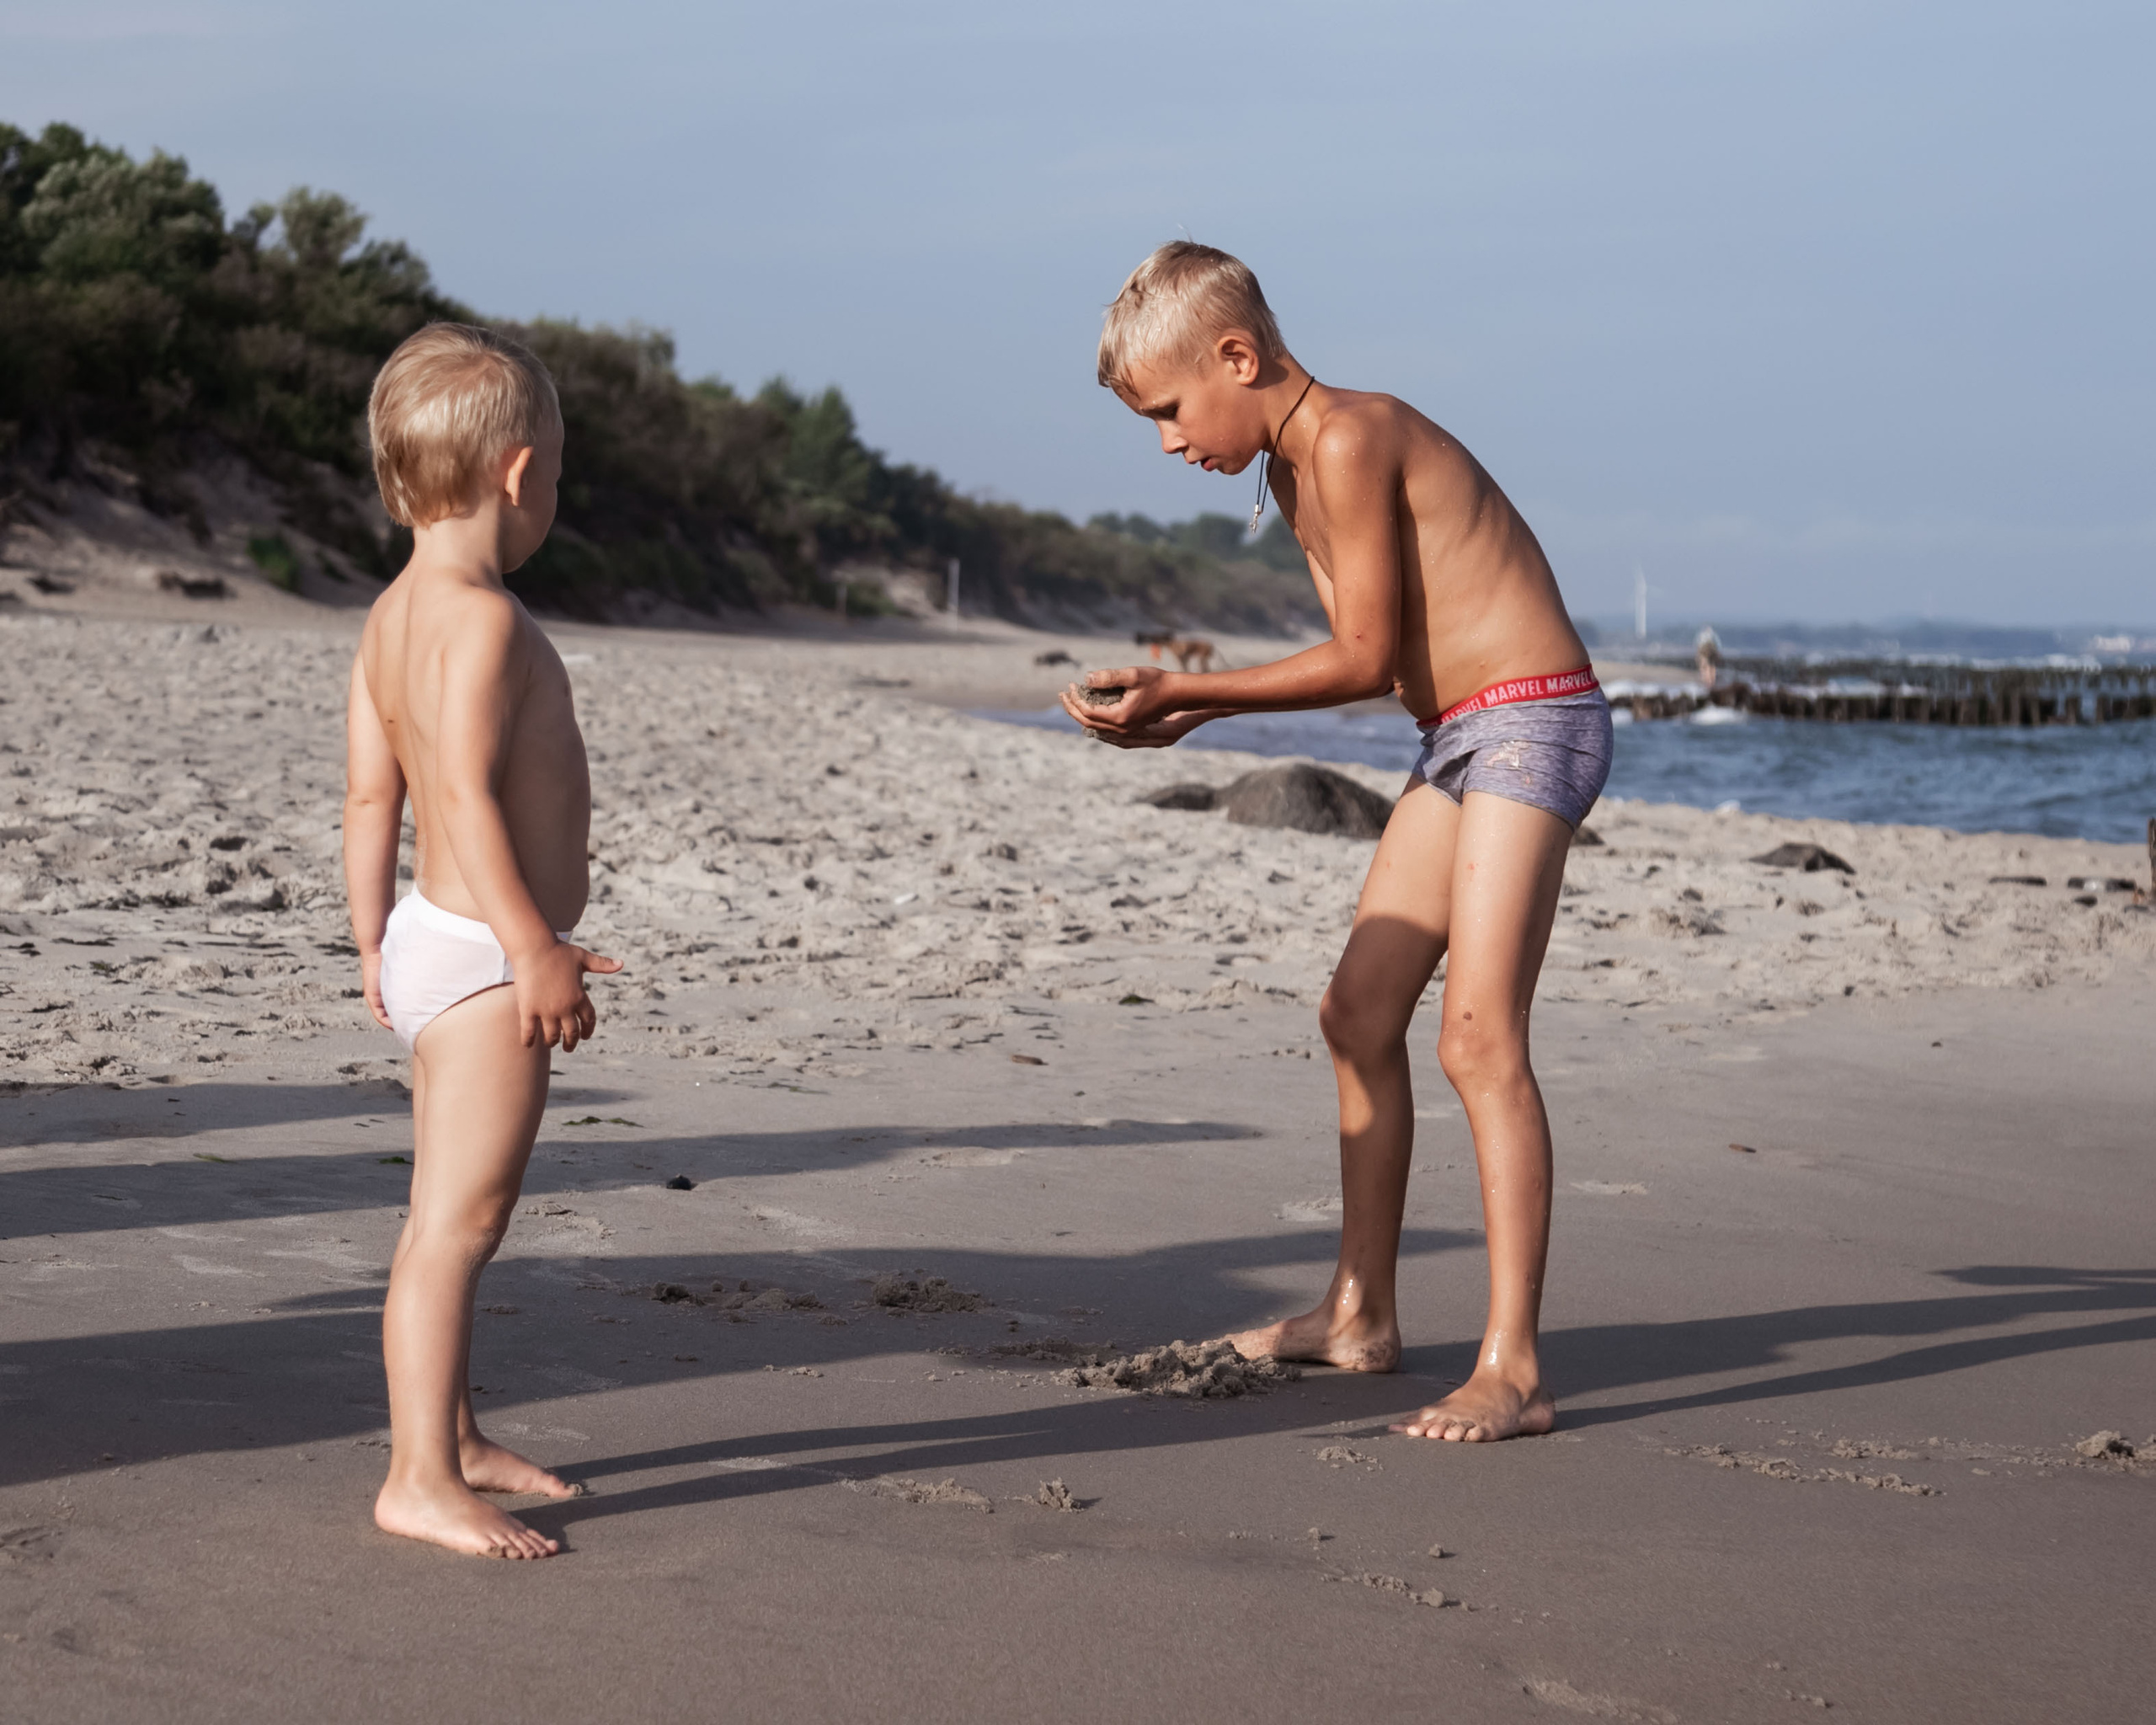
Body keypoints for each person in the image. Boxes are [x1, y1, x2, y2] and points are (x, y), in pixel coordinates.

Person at [1067, 243, 1610, 1442]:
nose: (1167, 442)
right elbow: (1375, 661)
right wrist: (1187, 715)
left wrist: (1187, 689)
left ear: (1238, 357)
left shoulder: (1354, 438)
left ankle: (1514, 1367)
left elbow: (1363, 657)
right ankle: (1360, 1312)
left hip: (1532, 723)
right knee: (1357, 1013)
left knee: (1478, 1039)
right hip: (1457, 738)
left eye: (1168, 411)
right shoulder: (1293, 470)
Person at [344, 323, 621, 1556]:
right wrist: (534, 948)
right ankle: (416, 1476)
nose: (551, 493)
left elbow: (372, 797)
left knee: (437, 1211)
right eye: (554, 473)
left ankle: (450, 1438)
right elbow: (456, 793)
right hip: (481, 957)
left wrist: (373, 942)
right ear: (517, 475)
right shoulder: (486, 623)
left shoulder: (391, 616)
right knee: (457, 1229)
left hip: (425, 941)